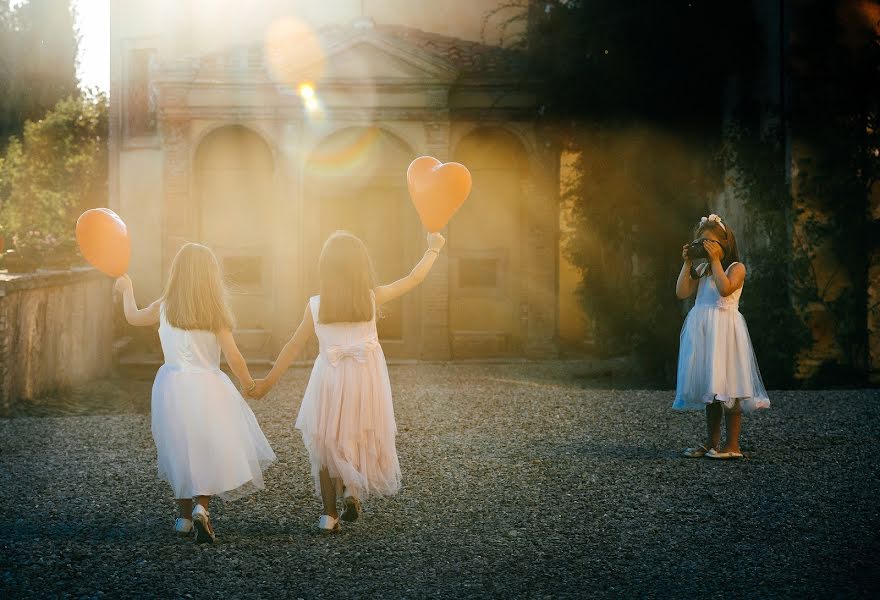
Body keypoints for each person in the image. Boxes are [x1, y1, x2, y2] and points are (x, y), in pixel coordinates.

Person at [250, 230, 446, 530]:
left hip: (329, 379)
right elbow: (413, 279)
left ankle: (328, 515)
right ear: (361, 268)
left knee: (327, 442)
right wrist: (433, 249)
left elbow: (293, 346)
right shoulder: (371, 298)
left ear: (324, 270)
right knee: (358, 433)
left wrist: (266, 382)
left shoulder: (315, 305)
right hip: (365, 379)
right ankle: (353, 492)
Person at [116, 243, 276, 542]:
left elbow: (133, 317)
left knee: (179, 449)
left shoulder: (163, 307)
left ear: (176, 273)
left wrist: (127, 289)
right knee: (207, 448)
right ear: (210, 277)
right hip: (208, 388)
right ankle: (203, 508)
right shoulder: (214, 313)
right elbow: (234, 356)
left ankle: (183, 518)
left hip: (172, 389)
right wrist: (249, 385)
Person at [673, 214, 770, 459]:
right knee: (711, 387)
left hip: (725, 331)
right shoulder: (703, 269)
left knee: (731, 386)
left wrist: (715, 261)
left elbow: (726, 288)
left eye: (710, 242)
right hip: (705, 331)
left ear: (724, 244)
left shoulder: (736, 268)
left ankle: (732, 446)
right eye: (700, 243)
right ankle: (711, 442)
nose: (705, 247)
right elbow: (682, 292)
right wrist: (687, 263)